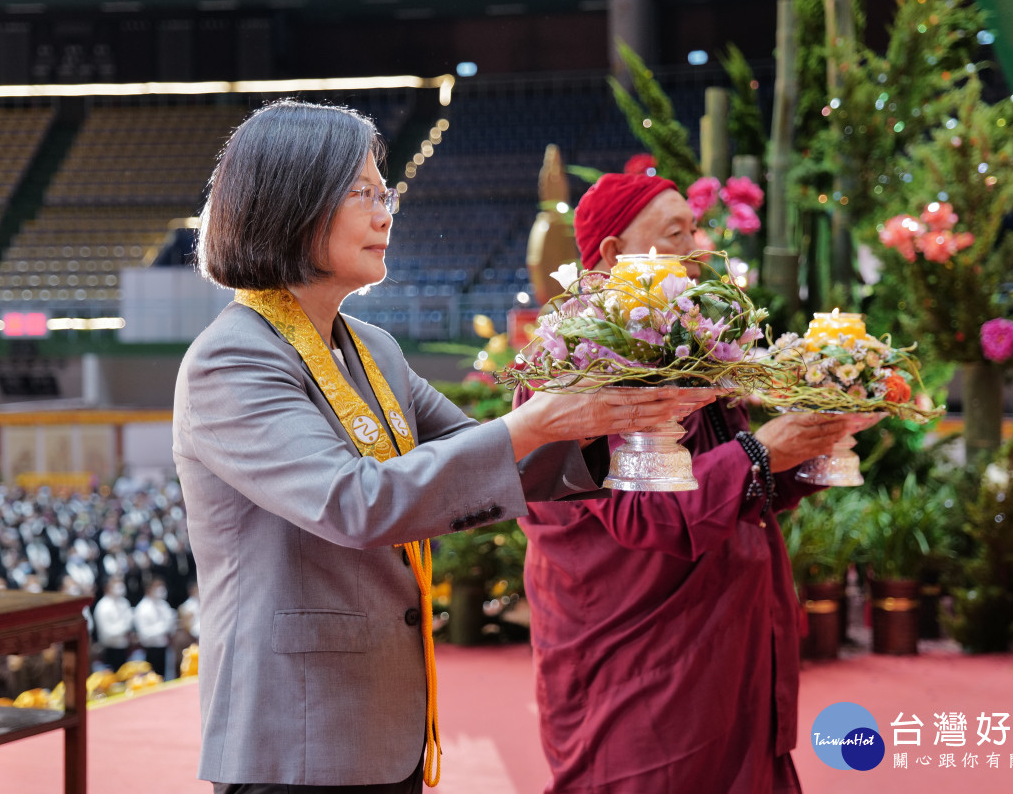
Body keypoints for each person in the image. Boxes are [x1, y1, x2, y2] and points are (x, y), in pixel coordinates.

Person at [172, 101, 706, 793]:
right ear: (291, 204)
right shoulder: (233, 360)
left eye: (383, 192)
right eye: (361, 193)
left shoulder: (372, 348)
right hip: (292, 735)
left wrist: (608, 423)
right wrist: (541, 419)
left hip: (384, 720)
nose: (385, 213)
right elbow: (354, 504)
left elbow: (481, 461)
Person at [518, 172, 863, 794]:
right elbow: (647, 514)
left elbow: (732, 488)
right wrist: (762, 451)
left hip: (723, 641)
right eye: (675, 233)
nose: (698, 248)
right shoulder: (583, 358)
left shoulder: (683, 345)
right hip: (643, 660)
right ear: (615, 254)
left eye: (696, 228)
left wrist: (808, 447)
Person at [133, 577, 177, 678]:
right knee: (152, 677)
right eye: (158, 586)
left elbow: (171, 623)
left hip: (165, 646)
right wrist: (163, 628)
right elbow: (144, 633)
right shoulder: (142, 608)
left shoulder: (163, 605)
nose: (161, 589)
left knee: (165, 676)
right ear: (149, 589)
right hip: (151, 648)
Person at [92, 576, 133, 673]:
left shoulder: (124, 602)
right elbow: (106, 631)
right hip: (110, 648)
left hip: (125, 646)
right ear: (107, 587)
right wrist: (123, 629)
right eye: (115, 584)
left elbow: (129, 620)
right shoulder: (103, 606)